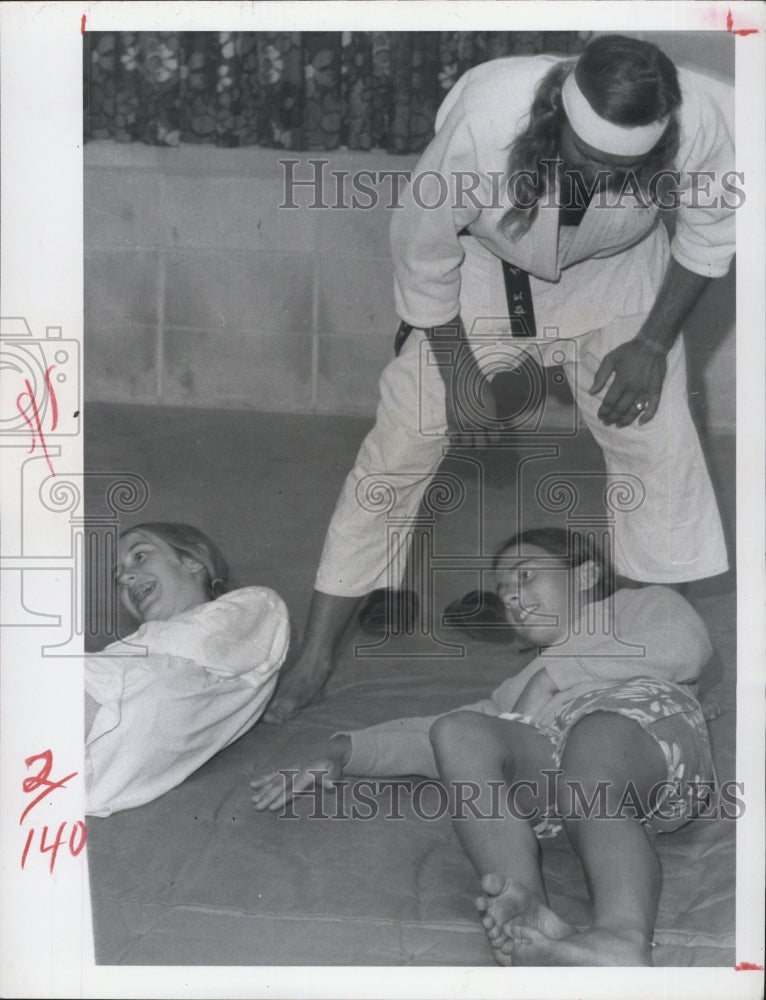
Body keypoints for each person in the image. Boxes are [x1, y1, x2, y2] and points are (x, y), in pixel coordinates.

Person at [263, 34, 734, 724]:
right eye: (592, 160)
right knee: (398, 450)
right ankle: (314, 658)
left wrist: (652, 343)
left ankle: (662, 658)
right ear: (555, 119)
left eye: (624, 168)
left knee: (656, 447)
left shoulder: (708, 119)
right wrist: (458, 375)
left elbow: (709, 235)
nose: (603, 180)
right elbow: (422, 256)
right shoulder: (487, 120)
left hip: (619, 281)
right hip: (484, 272)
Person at [252, 527, 717, 966]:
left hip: (651, 741)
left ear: (587, 574)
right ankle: (528, 910)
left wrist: (556, 677)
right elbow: (426, 736)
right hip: (566, 780)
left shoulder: (638, 607)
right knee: (460, 731)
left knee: (593, 737)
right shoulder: (517, 688)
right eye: (503, 589)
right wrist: (342, 751)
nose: (511, 594)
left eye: (527, 575)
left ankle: (622, 938)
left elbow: (685, 645)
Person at [85, 522, 289, 816]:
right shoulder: (138, 654)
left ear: (193, 560)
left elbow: (203, 644)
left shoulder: (257, 603)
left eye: (140, 556)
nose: (126, 578)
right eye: (119, 579)